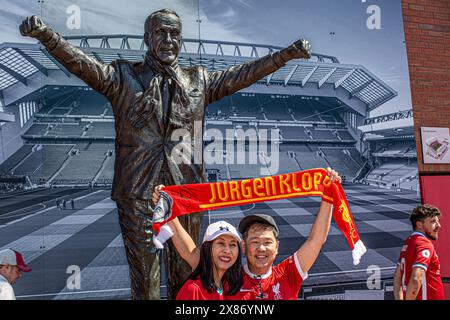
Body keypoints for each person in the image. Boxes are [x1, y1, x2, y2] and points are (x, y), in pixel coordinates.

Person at [20, 10, 311, 299]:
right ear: (147, 38)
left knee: (188, 278)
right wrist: (47, 36)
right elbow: (82, 64)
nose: (169, 40)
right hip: (137, 194)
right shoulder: (123, 77)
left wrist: (284, 56)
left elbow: (243, 75)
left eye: (175, 34)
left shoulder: (199, 80)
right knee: (144, 280)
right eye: (161, 33)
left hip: (186, 195)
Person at [153, 167, 340, 300]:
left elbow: (316, 240)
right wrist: (170, 212)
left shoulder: (288, 274)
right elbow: (191, 252)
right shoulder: (228, 277)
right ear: (244, 246)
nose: (261, 248)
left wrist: (329, 197)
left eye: (267, 242)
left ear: (277, 247)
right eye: (254, 241)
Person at [176, 221, 243, 300]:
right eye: (221, 243)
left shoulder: (226, 286)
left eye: (232, 245)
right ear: (207, 248)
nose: (227, 251)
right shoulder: (193, 290)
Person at [393, 204, 444, 300]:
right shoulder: (424, 244)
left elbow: (397, 277)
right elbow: (416, 278)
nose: (439, 225)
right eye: (433, 221)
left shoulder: (409, 242)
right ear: (419, 224)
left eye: (438, 221)